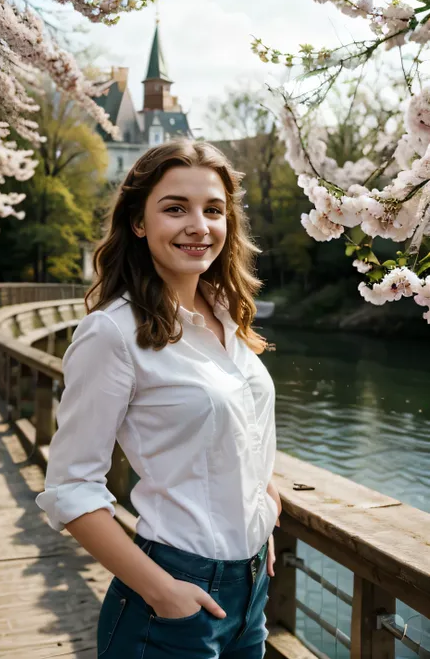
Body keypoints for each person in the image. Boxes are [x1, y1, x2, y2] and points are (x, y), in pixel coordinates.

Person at [35, 139, 283, 658]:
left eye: (213, 209)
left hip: (253, 592)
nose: (199, 225)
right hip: (173, 600)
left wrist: (265, 508)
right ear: (139, 222)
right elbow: (71, 486)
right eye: (176, 208)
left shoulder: (228, 318)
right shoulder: (112, 334)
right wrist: (161, 591)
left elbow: (242, 433)